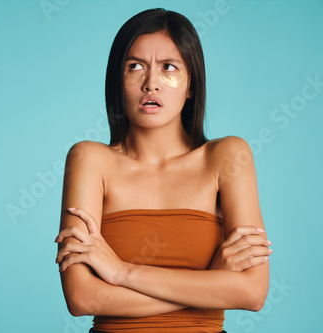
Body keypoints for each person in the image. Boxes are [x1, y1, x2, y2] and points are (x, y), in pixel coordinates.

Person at [55, 8, 271, 333]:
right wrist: (211, 282)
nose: (151, 83)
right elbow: (82, 299)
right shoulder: (89, 160)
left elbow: (252, 293)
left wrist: (121, 273)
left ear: (191, 86)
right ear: (118, 81)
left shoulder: (227, 156)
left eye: (168, 67)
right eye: (135, 67)